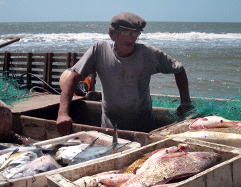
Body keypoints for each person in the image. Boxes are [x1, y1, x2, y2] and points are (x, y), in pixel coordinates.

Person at [56, 12, 193, 135]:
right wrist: (62, 114)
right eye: (125, 32)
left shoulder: (148, 54)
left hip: (144, 131)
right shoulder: (99, 50)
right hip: (110, 130)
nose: (130, 38)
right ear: (112, 34)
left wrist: (185, 102)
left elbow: (179, 69)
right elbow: (72, 79)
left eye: (135, 34)